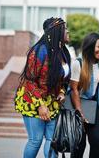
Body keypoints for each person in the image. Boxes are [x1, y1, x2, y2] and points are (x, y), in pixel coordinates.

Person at [14, 17, 71, 158]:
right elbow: (29, 80)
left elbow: (63, 79)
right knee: (35, 140)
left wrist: (62, 92)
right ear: (56, 31)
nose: (68, 31)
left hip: (52, 101)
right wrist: (40, 105)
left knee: (52, 140)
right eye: (65, 29)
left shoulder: (63, 52)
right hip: (32, 99)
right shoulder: (39, 51)